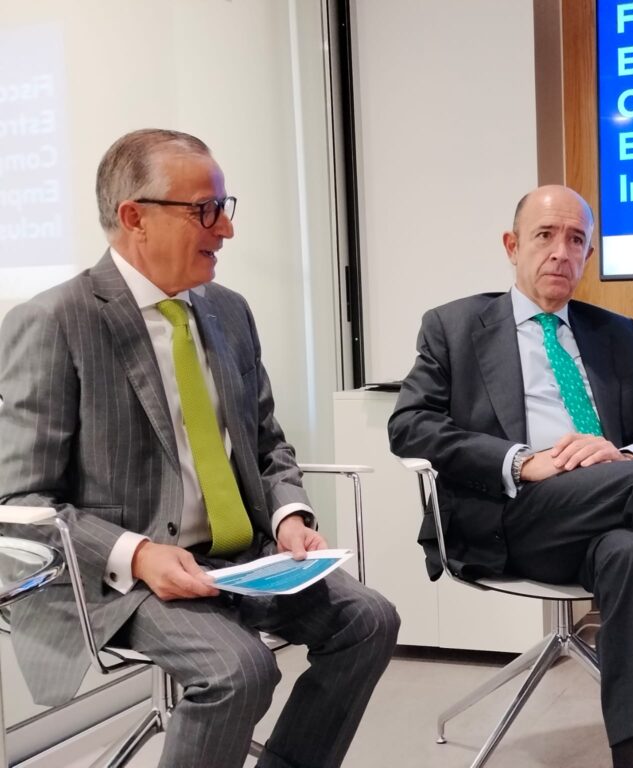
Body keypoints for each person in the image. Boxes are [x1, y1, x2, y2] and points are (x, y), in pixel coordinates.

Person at [0, 129, 400, 768]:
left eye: (224, 207)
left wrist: (287, 515)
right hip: (123, 578)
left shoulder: (228, 311)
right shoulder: (55, 322)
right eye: (205, 210)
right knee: (239, 669)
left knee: (370, 620)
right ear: (135, 217)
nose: (226, 229)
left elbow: (267, 441)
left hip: (239, 556)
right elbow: (21, 502)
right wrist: (137, 554)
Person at [388, 184, 633, 768]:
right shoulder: (455, 326)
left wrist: (629, 456)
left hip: (609, 510)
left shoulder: (614, 333)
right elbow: (409, 424)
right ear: (512, 245)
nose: (561, 252)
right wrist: (520, 459)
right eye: (545, 236)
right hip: (511, 513)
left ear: (589, 255)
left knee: (632, 556)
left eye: (576, 240)